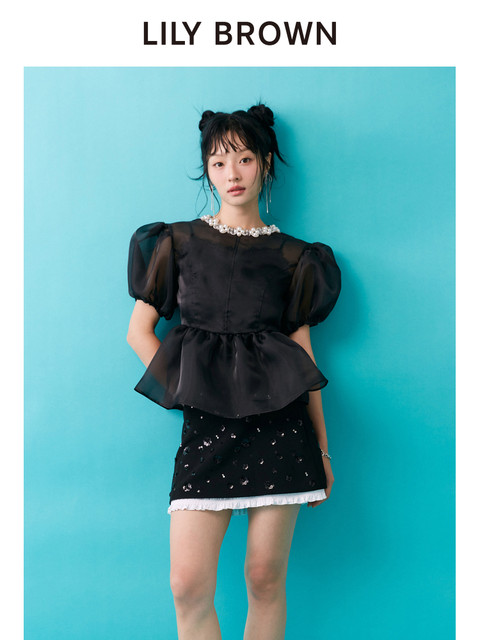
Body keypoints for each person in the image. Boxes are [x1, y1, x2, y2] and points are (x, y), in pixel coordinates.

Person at [126, 104, 341, 640]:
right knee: (186, 585)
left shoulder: (295, 256)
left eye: (244, 159)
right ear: (207, 169)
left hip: (280, 430)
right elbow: (138, 332)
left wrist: (322, 449)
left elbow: (303, 357)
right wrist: (188, 389)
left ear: (265, 163)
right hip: (205, 431)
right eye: (219, 163)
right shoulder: (176, 242)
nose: (233, 174)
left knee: (264, 578)